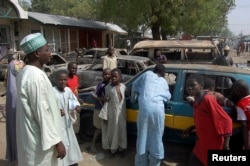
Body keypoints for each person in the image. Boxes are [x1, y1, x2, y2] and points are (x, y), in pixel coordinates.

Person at [16, 33, 66, 166]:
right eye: (47, 49)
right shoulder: (36, 77)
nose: (50, 52)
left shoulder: (24, 72)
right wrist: (57, 141)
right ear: (38, 53)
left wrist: (55, 110)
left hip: (31, 137)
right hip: (40, 141)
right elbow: (42, 112)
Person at [183, 74, 232, 166]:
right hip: (201, 144)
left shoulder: (208, 99)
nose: (189, 88)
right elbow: (204, 120)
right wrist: (191, 128)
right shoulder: (196, 101)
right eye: (187, 85)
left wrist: (226, 146)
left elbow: (227, 121)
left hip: (212, 144)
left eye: (193, 85)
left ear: (201, 85)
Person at [131, 64, 171, 166]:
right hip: (158, 110)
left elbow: (134, 85)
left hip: (144, 109)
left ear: (154, 70)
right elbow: (168, 96)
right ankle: (155, 162)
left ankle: (141, 163)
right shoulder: (164, 82)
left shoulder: (147, 74)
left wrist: (134, 98)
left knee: (142, 136)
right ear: (163, 74)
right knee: (156, 137)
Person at [53, 70, 83, 165]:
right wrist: (56, 111)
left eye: (65, 80)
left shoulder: (68, 90)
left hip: (67, 123)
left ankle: (71, 161)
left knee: (70, 143)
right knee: (61, 143)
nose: (63, 82)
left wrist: (76, 106)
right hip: (58, 124)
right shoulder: (52, 92)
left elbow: (72, 102)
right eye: (60, 80)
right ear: (56, 80)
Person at [99, 68, 127, 156]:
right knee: (112, 132)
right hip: (112, 114)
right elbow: (106, 103)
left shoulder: (123, 87)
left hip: (122, 114)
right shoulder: (108, 88)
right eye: (112, 77)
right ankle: (113, 149)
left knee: (122, 131)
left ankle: (121, 148)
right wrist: (105, 116)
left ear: (120, 77)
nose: (113, 78)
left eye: (115, 76)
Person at [5, 54, 24, 165]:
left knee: (13, 131)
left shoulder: (10, 90)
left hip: (12, 106)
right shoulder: (17, 65)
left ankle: (16, 158)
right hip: (18, 105)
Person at [90, 68, 111, 153]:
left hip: (109, 110)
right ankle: (93, 144)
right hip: (99, 109)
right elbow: (93, 96)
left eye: (108, 74)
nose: (107, 76)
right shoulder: (100, 85)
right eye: (105, 74)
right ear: (102, 75)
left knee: (108, 129)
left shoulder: (112, 85)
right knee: (99, 129)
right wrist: (102, 99)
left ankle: (107, 146)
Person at [231, 80, 250, 150]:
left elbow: (244, 125)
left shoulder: (241, 104)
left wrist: (246, 145)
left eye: (234, 91)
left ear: (239, 91)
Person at [67, 62, 82, 136]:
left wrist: (78, 99)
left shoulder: (76, 77)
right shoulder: (66, 79)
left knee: (76, 120)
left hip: (75, 101)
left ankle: (75, 136)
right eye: (72, 68)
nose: (74, 70)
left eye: (75, 68)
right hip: (69, 103)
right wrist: (74, 103)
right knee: (71, 120)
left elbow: (76, 90)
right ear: (68, 68)